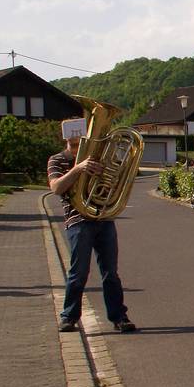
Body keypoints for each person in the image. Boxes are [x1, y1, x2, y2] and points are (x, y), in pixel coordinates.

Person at [47, 120, 136, 333]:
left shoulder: (98, 157)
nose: (76, 137)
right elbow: (56, 187)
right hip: (78, 220)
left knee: (110, 273)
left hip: (103, 219)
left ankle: (119, 317)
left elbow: (114, 182)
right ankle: (69, 316)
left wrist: (108, 175)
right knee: (78, 272)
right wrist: (79, 168)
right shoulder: (57, 159)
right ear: (65, 136)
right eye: (71, 134)